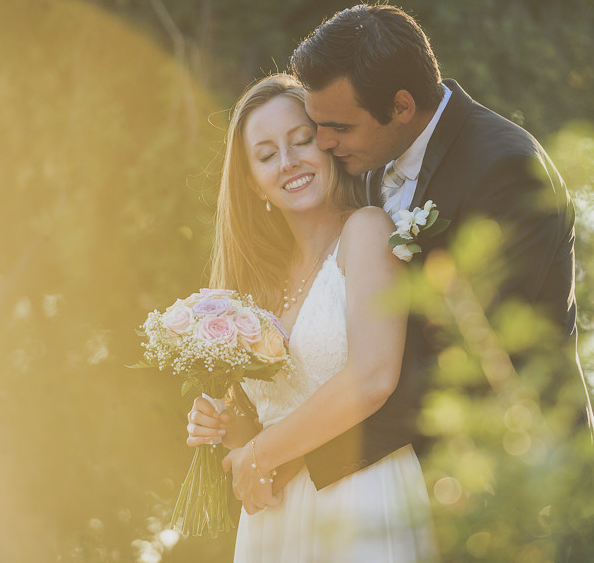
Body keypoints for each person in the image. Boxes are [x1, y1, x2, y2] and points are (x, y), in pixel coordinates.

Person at [286, 3, 594, 548]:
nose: (322, 143)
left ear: (402, 106)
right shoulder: (365, 161)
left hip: (513, 486)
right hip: (407, 488)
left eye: (337, 126)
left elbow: (472, 359)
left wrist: (310, 448)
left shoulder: (508, 170)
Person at [186, 73, 439, 562]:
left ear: (327, 145)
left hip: (359, 498)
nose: (289, 162)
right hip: (276, 520)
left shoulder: (367, 232)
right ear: (250, 180)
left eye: (301, 140)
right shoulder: (254, 286)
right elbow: (262, 422)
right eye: (266, 155)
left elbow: (372, 377)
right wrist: (223, 424)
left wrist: (259, 455)